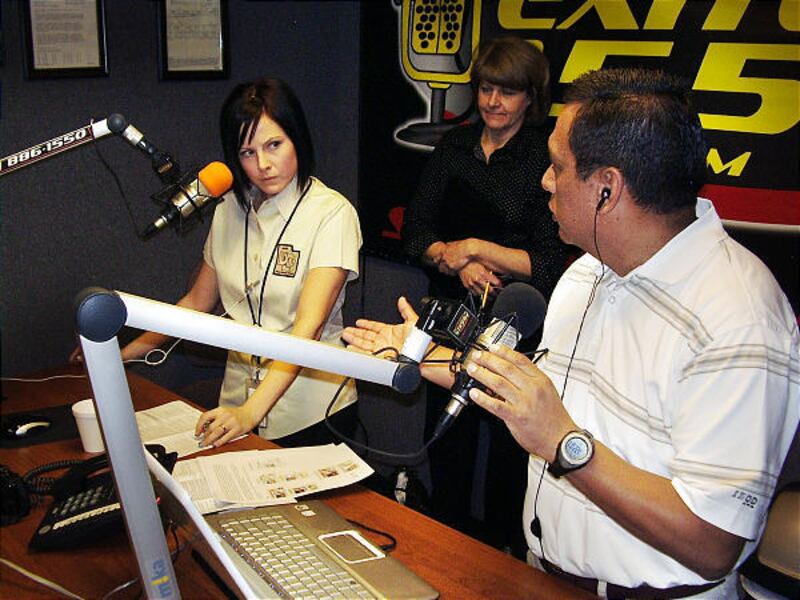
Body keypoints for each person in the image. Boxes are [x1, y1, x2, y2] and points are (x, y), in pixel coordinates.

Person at [344, 68, 799, 598]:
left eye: (557, 167)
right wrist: (423, 357)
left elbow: (713, 540)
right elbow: (537, 400)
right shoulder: (589, 269)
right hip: (544, 574)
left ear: (607, 189)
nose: (544, 180)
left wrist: (564, 444)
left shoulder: (739, 319)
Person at [73, 77, 362, 448]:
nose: (263, 164)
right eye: (247, 152)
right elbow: (196, 303)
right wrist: (118, 353)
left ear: (298, 140)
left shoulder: (331, 213)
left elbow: (308, 325)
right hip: (235, 407)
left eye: (275, 145)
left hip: (312, 412)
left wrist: (251, 413)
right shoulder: (229, 208)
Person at [401, 35, 566, 555]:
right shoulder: (455, 145)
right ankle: (442, 545)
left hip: (517, 320)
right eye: (487, 89)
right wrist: (455, 259)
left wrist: (476, 249)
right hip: (449, 313)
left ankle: (502, 556)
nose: (494, 102)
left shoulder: (545, 157)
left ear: (530, 97)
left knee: (507, 451)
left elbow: (548, 261)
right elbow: (415, 234)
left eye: (508, 92)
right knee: (447, 439)